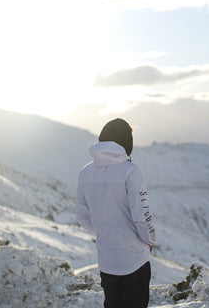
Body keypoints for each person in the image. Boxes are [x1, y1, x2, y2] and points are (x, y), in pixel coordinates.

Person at [76, 118, 156, 308]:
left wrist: (106, 232)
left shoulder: (85, 172)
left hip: (107, 260)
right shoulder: (130, 171)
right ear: (127, 142)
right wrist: (150, 240)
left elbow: (81, 215)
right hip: (134, 259)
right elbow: (142, 215)